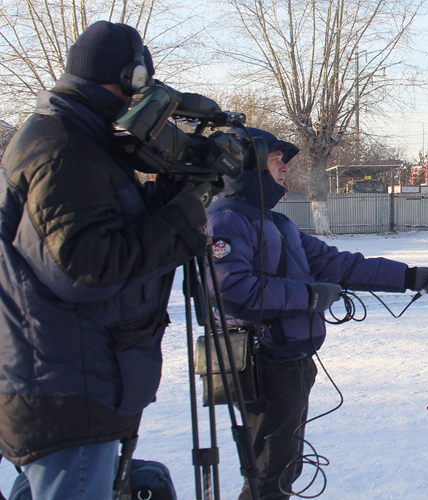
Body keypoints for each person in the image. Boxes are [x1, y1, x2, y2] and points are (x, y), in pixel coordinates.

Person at [0, 21, 209, 499]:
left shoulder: (69, 137)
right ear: (132, 77)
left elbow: (90, 237)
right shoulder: (65, 147)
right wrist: (180, 224)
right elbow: (86, 268)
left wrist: (163, 202)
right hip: (65, 387)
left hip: (63, 378)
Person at [205, 127, 428, 499]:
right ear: (249, 165)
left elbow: (337, 264)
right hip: (262, 362)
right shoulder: (226, 219)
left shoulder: (276, 222)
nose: (284, 170)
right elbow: (233, 292)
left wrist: (408, 276)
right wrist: (309, 296)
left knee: (283, 466)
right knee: (270, 472)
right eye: (276, 162)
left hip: (290, 360)